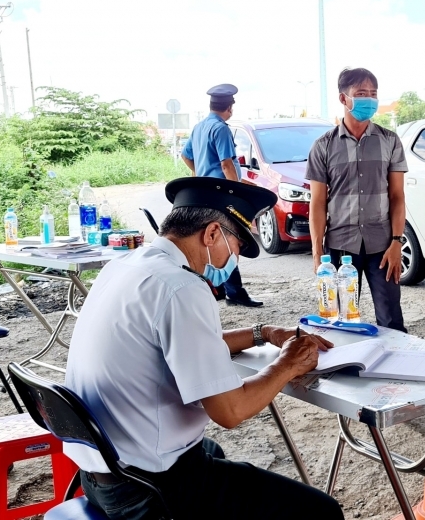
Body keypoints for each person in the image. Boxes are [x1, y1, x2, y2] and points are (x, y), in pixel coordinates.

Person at [64, 177, 344, 520]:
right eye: (236, 247)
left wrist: (264, 332)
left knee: (213, 454)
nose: (234, 260)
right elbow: (229, 411)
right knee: (321, 512)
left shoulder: (128, 266)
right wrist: (287, 364)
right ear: (211, 234)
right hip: (148, 490)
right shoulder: (182, 287)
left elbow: (186, 345)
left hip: (103, 473)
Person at [306, 67, 408, 332]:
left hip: (383, 246)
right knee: (340, 320)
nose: (369, 100)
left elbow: (397, 196)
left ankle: (394, 370)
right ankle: (349, 369)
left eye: (373, 94)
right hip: (340, 247)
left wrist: (397, 242)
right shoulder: (323, 146)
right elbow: (317, 203)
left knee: (391, 320)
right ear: (343, 99)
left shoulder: (390, 141)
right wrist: (318, 253)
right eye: (361, 93)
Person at [180, 83, 263, 307]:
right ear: (230, 107)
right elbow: (227, 164)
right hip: (220, 195)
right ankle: (234, 293)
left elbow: (185, 155)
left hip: (202, 193)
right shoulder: (221, 129)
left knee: (213, 243)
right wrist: (237, 192)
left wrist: (198, 173)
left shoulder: (199, 127)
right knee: (229, 243)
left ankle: (225, 291)